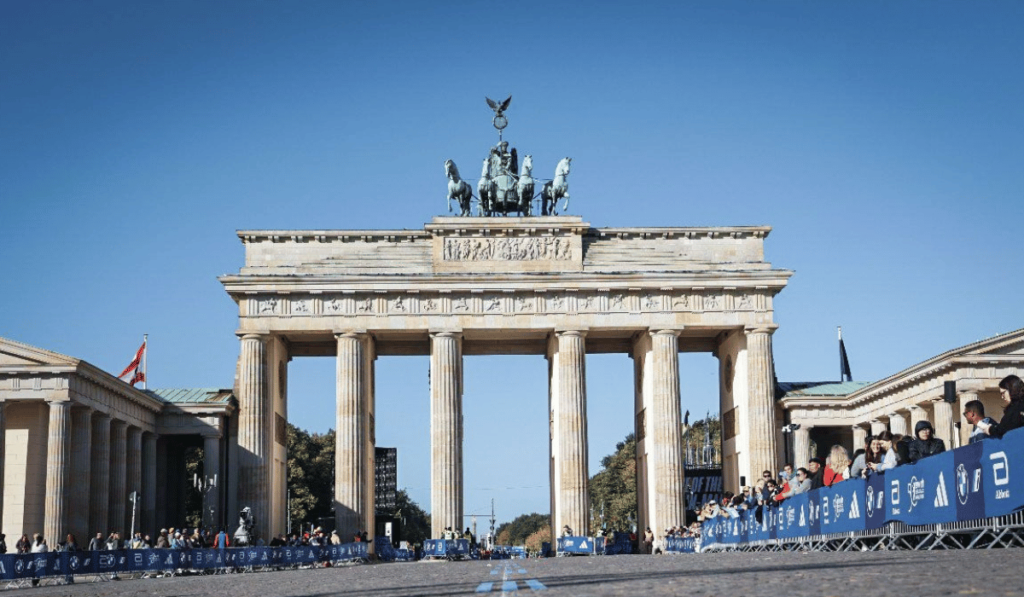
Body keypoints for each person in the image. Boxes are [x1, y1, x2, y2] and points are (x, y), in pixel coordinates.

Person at [978, 375, 1024, 439]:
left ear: (1011, 389)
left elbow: (1003, 429)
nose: (1002, 397)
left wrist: (990, 429)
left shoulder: (1015, 408)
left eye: (1003, 393)